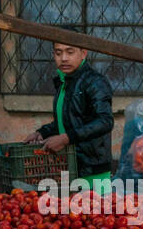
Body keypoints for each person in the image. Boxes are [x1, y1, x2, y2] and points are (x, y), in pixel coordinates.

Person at [25, 38, 114, 184]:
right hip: (70, 167)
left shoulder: (95, 82)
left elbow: (105, 121)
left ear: (83, 53)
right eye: (58, 53)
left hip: (92, 170)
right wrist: (41, 133)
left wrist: (66, 138)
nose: (64, 58)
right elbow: (68, 120)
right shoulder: (64, 82)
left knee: (94, 206)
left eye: (70, 52)